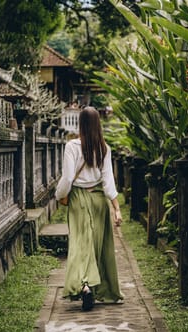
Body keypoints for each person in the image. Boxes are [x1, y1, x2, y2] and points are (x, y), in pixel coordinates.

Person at [55, 106, 123, 311]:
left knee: (79, 243)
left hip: (78, 199)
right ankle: (101, 288)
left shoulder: (72, 146)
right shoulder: (104, 148)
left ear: (80, 124)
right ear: (98, 124)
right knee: (97, 245)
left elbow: (67, 179)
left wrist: (59, 195)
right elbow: (108, 181)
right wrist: (117, 209)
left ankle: (84, 285)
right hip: (99, 200)